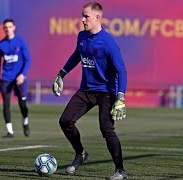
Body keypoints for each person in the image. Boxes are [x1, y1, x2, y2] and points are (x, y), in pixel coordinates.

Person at [52, 2, 128, 180]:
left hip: (106, 92)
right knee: (65, 121)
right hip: (86, 90)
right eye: (82, 15)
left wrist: (121, 97)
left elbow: (121, 70)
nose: (82, 19)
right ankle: (81, 153)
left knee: (106, 129)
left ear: (97, 17)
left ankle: (120, 171)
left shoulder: (108, 42)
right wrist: (61, 74)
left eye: (86, 16)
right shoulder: (82, 36)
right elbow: (77, 55)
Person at [0, 18, 31, 138]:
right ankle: (9, 131)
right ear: (3, 29)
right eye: (5, 27)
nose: (8, 29)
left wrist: (23, 74)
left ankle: (25, 120)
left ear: (14, 27)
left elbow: (28, 60)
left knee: (22, 104)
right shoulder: (0, 45)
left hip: (19, 78)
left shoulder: (20, 42)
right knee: (6, 104)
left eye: (10, 27)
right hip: (6, 78)